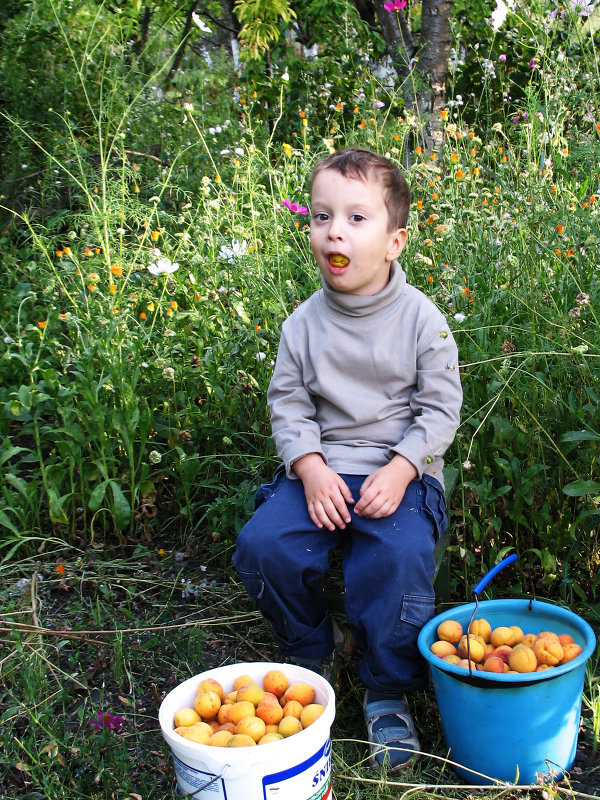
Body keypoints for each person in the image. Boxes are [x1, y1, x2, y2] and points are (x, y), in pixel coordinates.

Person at [233, 146, 462, 772]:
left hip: (398, 471)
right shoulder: (302, 327)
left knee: (397, 555)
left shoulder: (421, 320)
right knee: (265, 545)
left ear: (395, 241)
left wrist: (404, 467)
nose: (334, 229)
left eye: (357, 218)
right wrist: (309, 469)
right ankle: (312, 648)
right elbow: (288, 408)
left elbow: (440, 409)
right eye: (322, 214)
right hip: (322, 468)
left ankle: (387, 686)